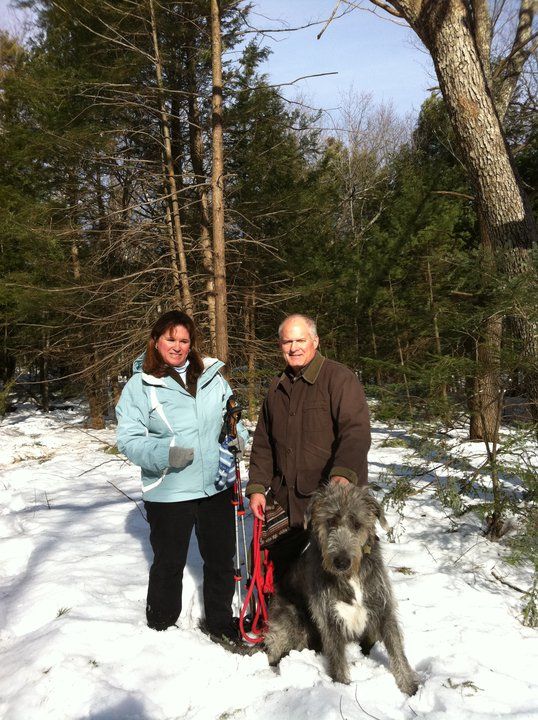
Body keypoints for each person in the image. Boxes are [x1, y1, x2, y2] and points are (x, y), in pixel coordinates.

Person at [116, 310, 248, 642]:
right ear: (156, 341)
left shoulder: (212, 377)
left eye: (184, 340)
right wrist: (167, 454)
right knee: (169, 562)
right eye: (170, 339)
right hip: (170, 490)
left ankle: (220, 621)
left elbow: (231, 419)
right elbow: (129, 440)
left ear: (192, 344)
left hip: (214, 485)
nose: (177, 346)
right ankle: (160, 624)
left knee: (221, 559)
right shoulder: (141, 385)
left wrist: (238, 439)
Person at [246, 313, 371, 579]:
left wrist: (344, 472)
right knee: (276, 576)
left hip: (331, 503)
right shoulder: (275, 389)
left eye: (300, 339)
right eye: (287, 341)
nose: (294, 347)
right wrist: (257, 486)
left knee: (333, 583)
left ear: (315, 340)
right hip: (285, 500)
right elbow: (263, 443)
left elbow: (356, 431)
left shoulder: (339, 379)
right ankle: (275, 619)